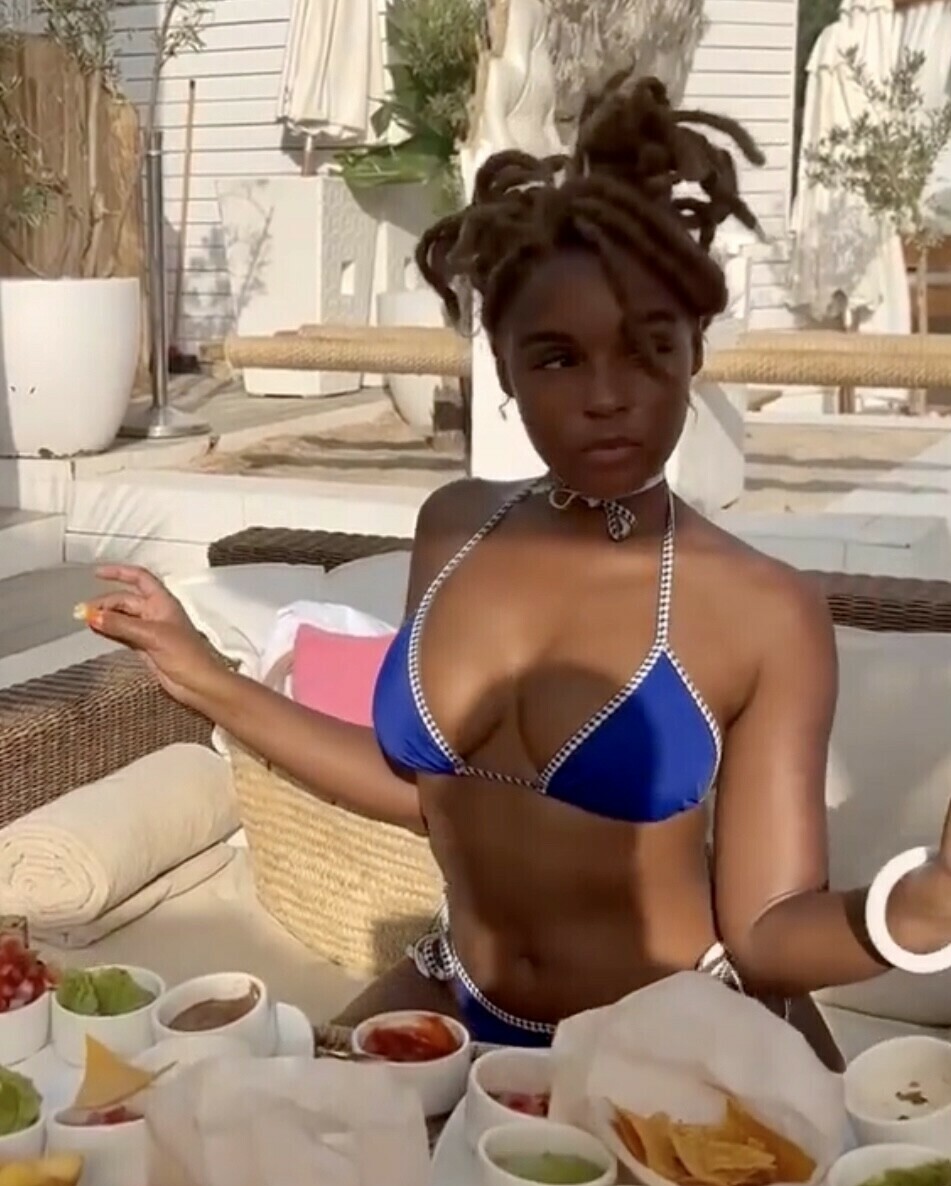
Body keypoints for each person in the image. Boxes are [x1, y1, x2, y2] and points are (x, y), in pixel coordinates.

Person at [82, 74, 951, 1071]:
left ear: (693, 352)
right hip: (458, 999)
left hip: (674, 1042)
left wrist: (923, 905)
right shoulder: (455, 527)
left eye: (647, 349)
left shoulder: (763, 609)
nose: (607, 395)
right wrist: (202, 676)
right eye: (556, 358)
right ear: (500, 363)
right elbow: (428, 794)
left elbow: (765, 932)